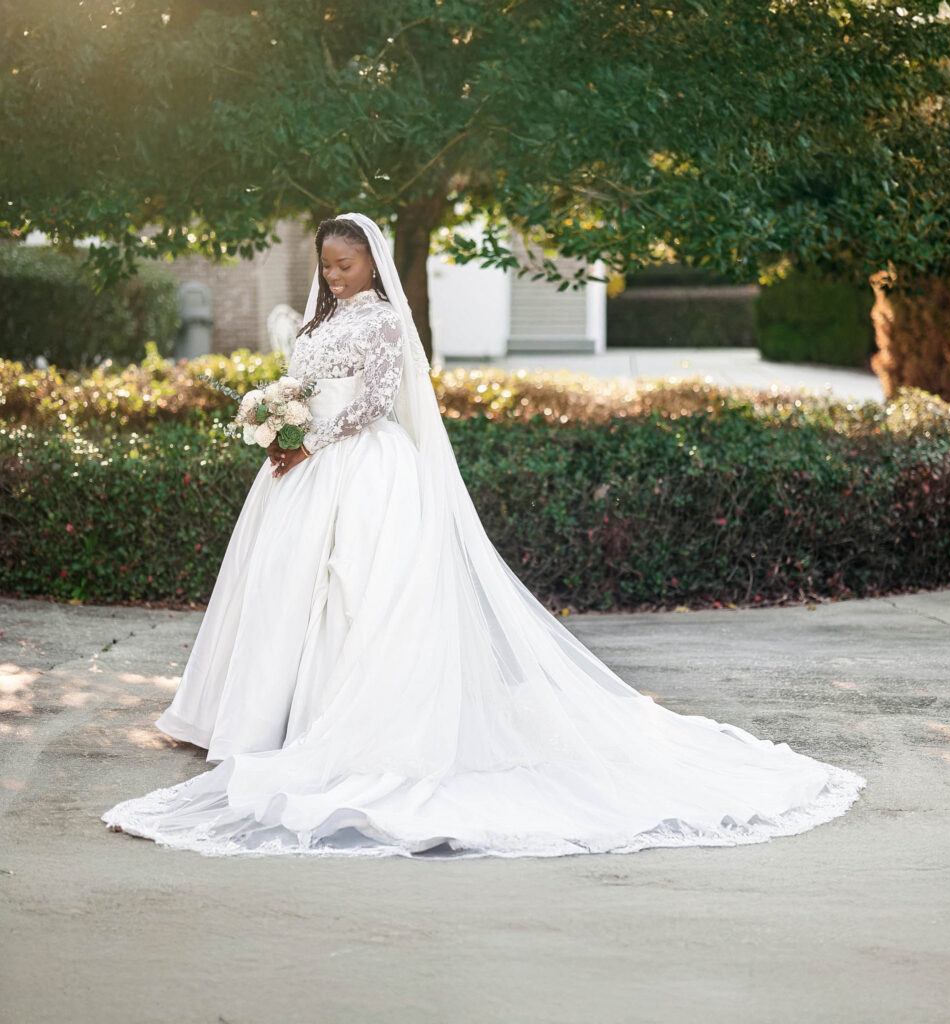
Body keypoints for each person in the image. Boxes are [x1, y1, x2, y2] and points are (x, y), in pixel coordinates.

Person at [101, 213, 865, 859]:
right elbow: (301, 384)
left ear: (373, 262)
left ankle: (333, 729)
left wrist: (313, 437)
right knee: (276, 593)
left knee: (356, 595)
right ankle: (255, 718)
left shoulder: (388, 319)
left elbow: (372, 404)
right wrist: (279, 421)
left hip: (359, 467)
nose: (333, 277)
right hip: (298, 471)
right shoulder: (321, 317)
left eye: (344, 265)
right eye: (326, 267)